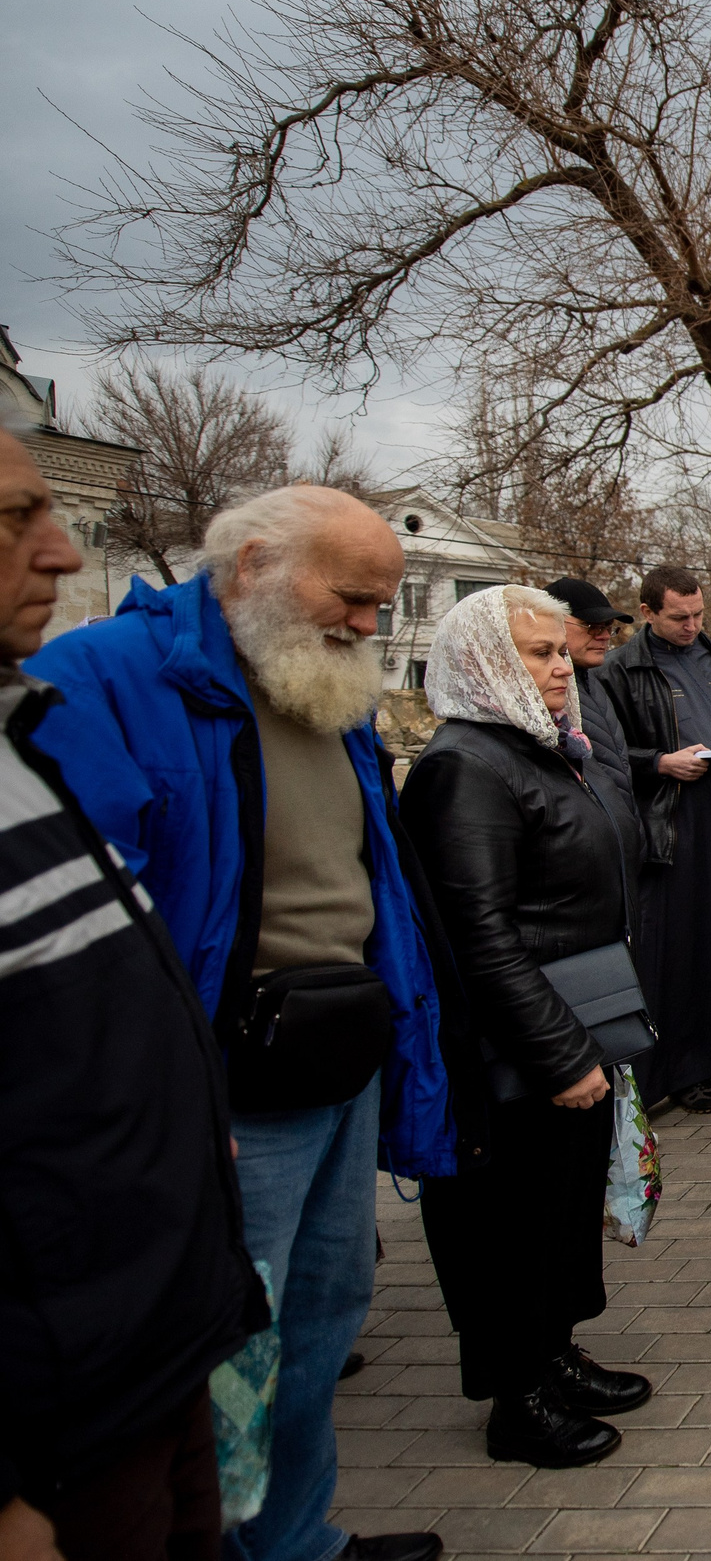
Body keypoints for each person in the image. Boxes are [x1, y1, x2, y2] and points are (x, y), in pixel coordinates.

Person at [28, 484, 451, 1561]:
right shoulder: (106, 679)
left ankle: (296, 1534)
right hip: (225, 1082)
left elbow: (370, 878)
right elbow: (97, 932)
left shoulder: (326, 685)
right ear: (254, 563)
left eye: (382, 601)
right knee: (229, 1344)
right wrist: (170, 1097)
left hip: (340, 1054)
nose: (369, 622)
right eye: (351, 596)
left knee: (322, 1315)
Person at [0, 424, 267, 1561]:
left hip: (148, 1338)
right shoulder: (96, 685)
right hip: (59, 1399)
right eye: (15, 518)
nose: (63, 552)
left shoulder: (20, 743)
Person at [402, 588, 653, 1470]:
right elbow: (479, 935)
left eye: (558, 650)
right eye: (537, 653)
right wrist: (561, 1053)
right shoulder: (465, 766)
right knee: (509, 1225)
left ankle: (552, 1353)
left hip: (572, 1022)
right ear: (482, 662)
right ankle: (517, 1398)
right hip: (517, 1052)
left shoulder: (536, 747)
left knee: (561, 1211)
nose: (560, 666)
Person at [594, 564, 711, 1113]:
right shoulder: (620, 670)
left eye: (699, 615)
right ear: (647, 613)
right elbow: (603, 750)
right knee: (683, 946)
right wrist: (659, 762)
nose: (692, 626)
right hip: (671, 824)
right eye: (679, 617)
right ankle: (687, 1068)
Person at [546, 577, 641, 851]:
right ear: (553, 623)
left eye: (608, 628)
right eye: (592, 626)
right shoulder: (548, 693)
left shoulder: (594, 681)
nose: (604, 636)